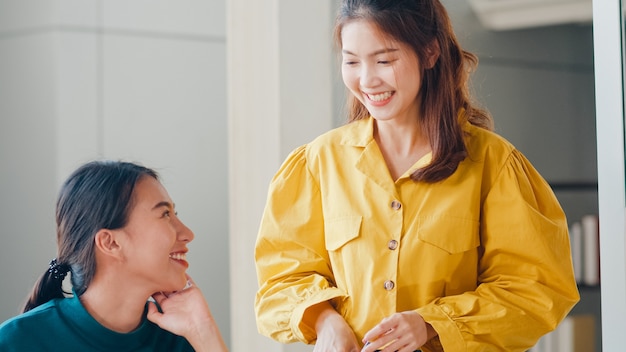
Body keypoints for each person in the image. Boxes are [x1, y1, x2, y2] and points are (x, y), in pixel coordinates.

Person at [253, 0, 580, 351]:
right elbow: (279, 281)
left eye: (384, 60)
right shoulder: (317, 163)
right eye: (351, 61)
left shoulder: (493, 164)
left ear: (429, 52)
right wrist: (324, 319)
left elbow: (535, 290)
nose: (366, 79)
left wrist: (431, 323)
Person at [0, 160, 228, 352]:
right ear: (110, 242)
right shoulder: (15, 342)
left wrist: (204, 333)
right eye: (165, 214)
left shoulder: (180, 338)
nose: (188, 234)